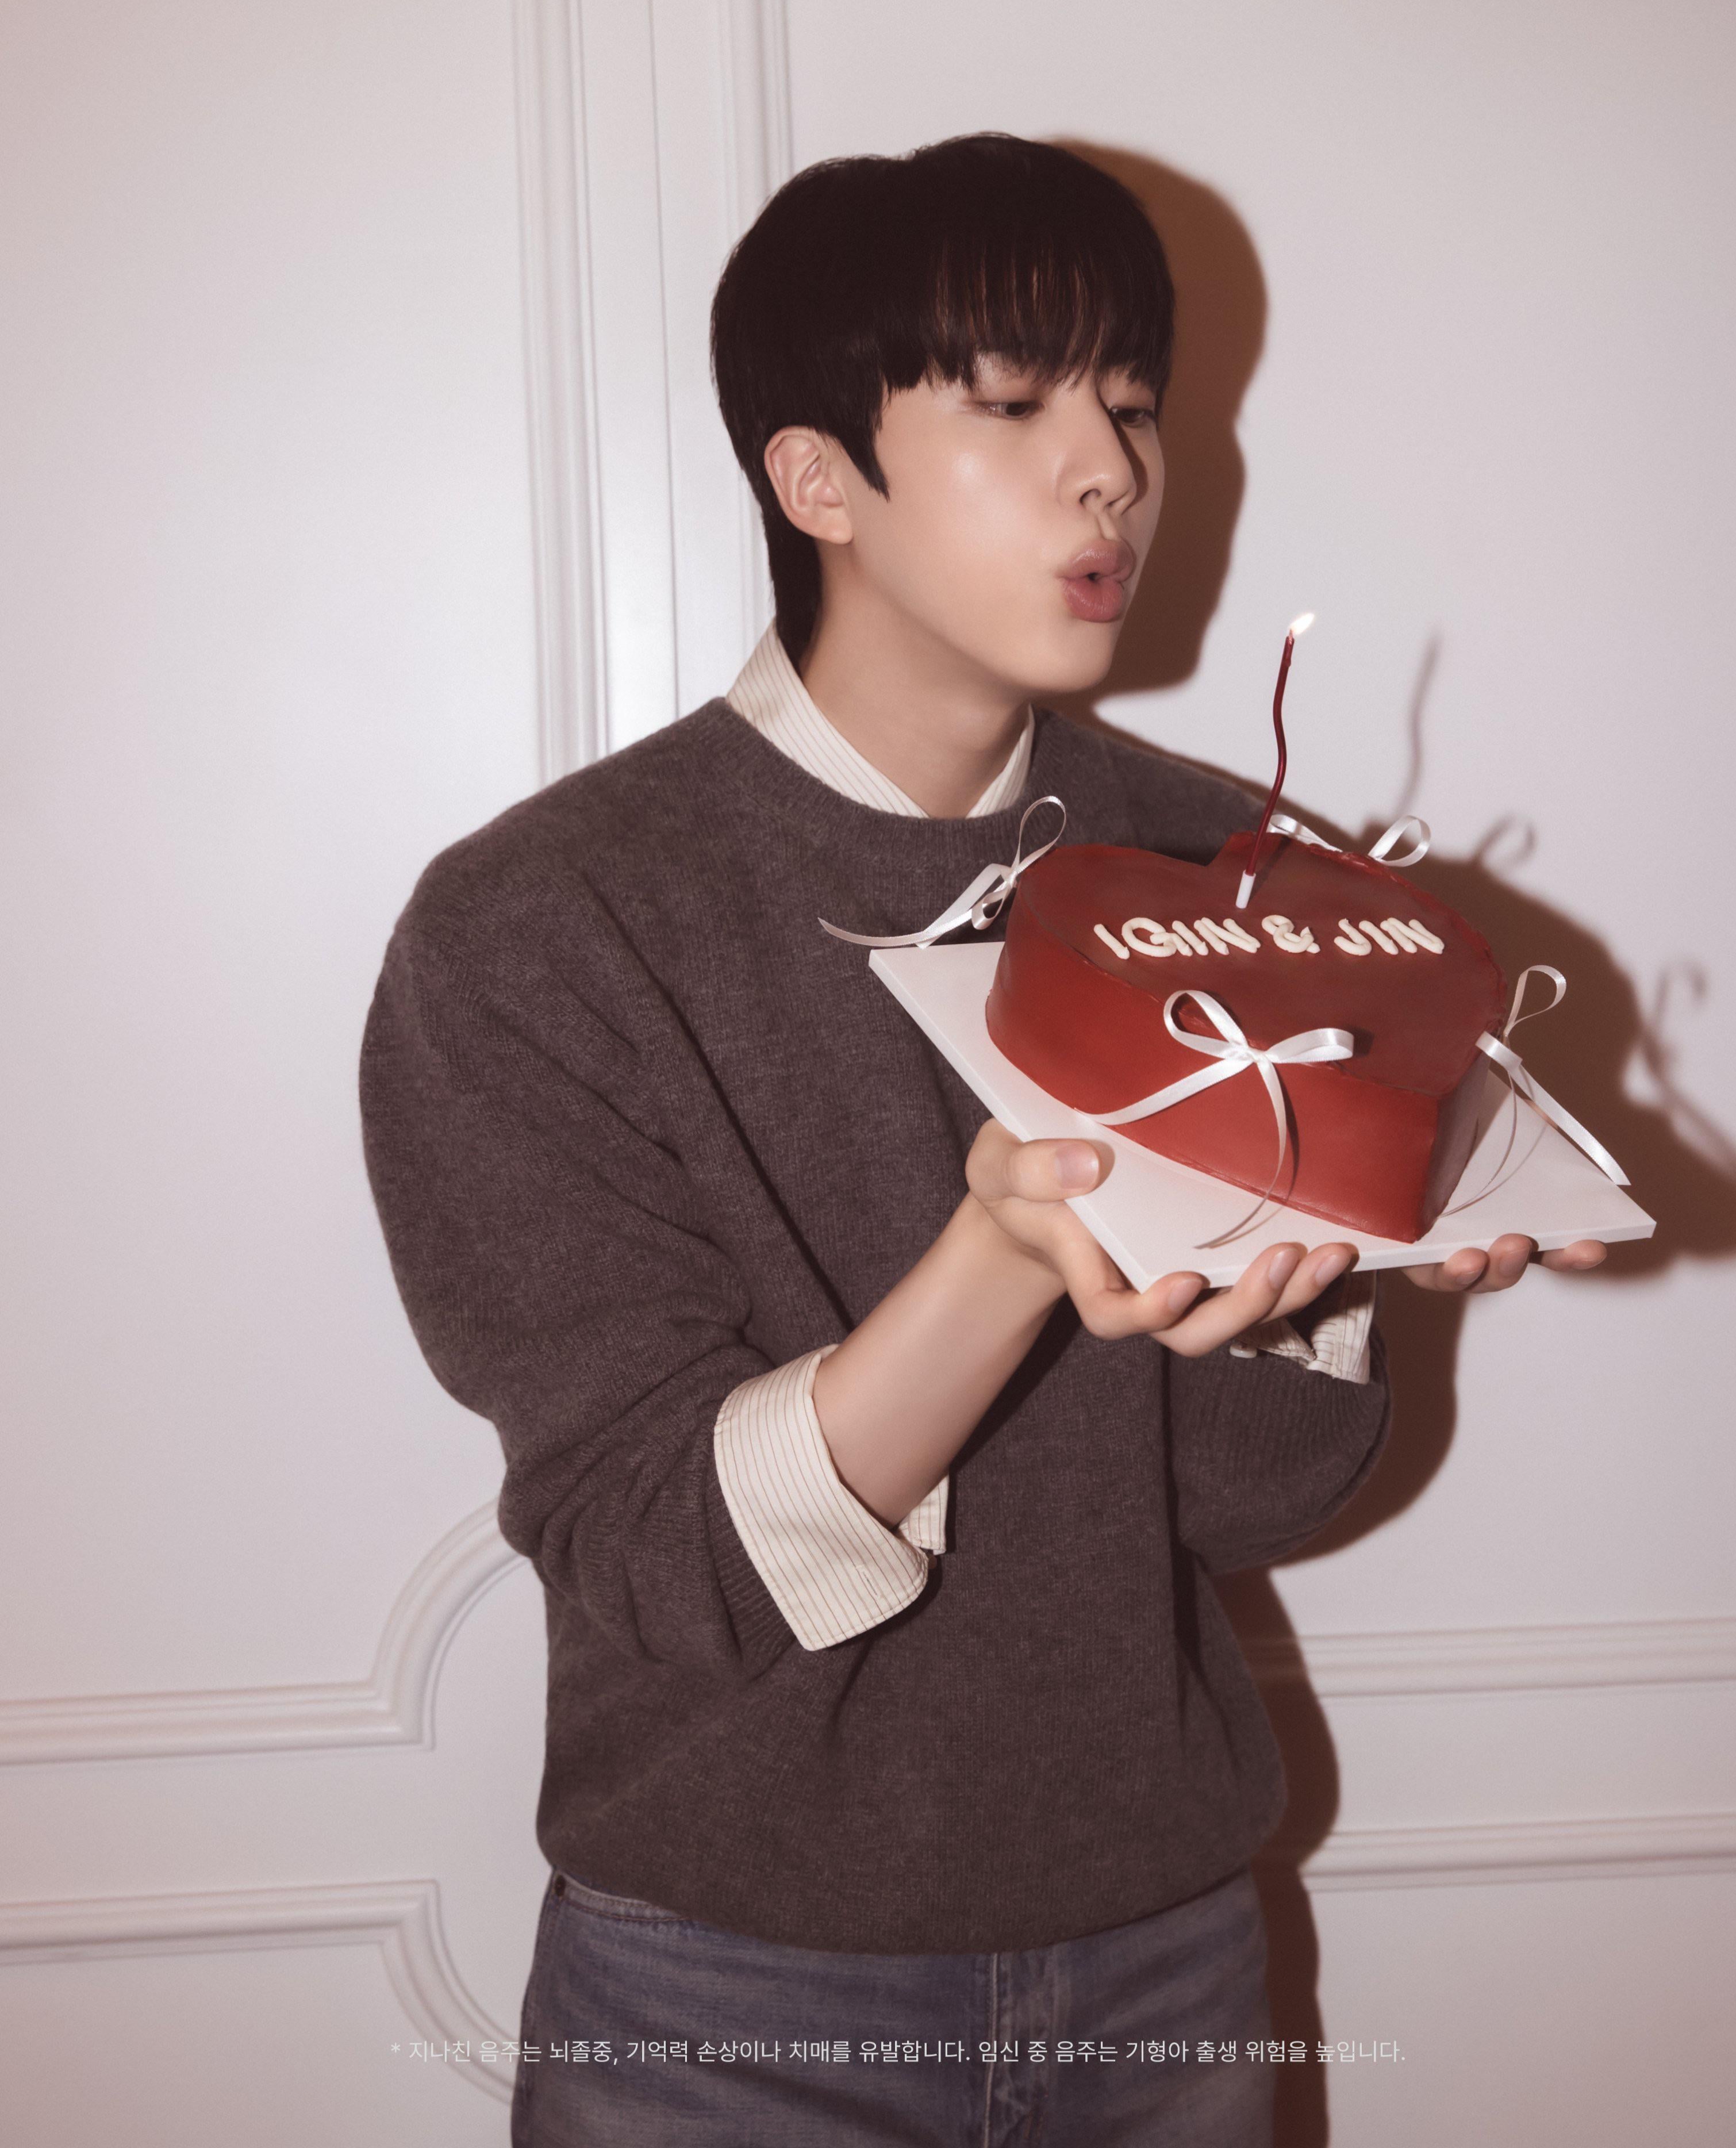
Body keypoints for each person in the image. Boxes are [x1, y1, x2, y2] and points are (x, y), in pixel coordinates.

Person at [359, 133, 1603, 2146]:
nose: (1112, 471)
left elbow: (1253, 1496)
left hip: (1166, 1951)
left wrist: (1342, 1258)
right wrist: (1004, 1251)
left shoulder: (1223, 864)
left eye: (1134, 403)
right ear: (817, 479)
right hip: (723, 1998)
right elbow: (659, 1558)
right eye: (1016, 406)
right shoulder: (540, 924)